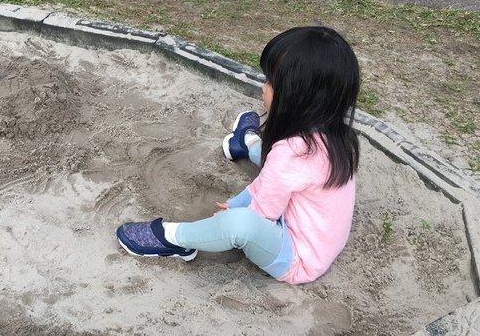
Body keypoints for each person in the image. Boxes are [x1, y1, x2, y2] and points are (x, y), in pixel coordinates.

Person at [116, 26, 361, 284]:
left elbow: (262, 213)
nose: (263, 88)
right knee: (275, 166)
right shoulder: (334, 137)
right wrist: (236, 201)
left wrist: (233, 210)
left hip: (297, 259)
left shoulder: (290, 153)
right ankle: (244, 143)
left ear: (296, 98)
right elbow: (274, 180)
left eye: (270, 82)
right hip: (318, 242)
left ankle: (173, 238)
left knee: (240, 224)